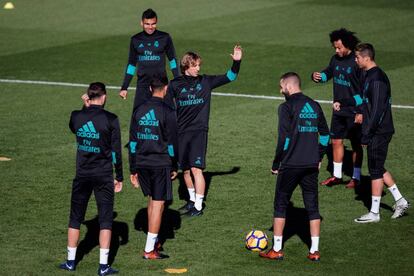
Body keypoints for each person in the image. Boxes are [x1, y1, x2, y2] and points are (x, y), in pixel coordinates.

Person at [259, 72, 329, 261]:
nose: (281, 90)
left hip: (290, 164)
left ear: (289, 87)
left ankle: (277, 249)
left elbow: (285, 139)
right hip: (311, 164)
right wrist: (319, 156)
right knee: (312, 207)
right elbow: (325, 135)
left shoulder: (286, 107)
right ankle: (314, 251)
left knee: (280, 205)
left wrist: (276, 163)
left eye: (282, 87)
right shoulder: (314, 105)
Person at [166, 45, 242, 217]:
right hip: (181, 132)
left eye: (199, 65)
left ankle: (199, 207)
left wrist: (236, 62)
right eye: (195, 66)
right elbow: (166, 107)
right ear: (186, 67)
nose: (199, 68)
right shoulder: (175, 84)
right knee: (184, 170)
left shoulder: (205, 81)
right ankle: (192, 201)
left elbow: (230, 76)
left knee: (196, 169)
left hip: (199, 131)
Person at [60, 82, 123, 276]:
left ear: (88, 96)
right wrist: (119, 176)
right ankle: (103, 266)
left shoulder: (76, 116)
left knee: (75, 218)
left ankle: (71, 262)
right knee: (105, 220)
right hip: (103, 175)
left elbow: (74, 127)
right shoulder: (111, 119)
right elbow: (116, 152)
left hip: (82, 175)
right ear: (103, 97)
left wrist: (83, 107)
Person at [351, 43, 410, 223]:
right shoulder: (369, 75)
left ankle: (374, 213)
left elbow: (377, 110)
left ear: (366, 58)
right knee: (378, 166)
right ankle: (400, 200)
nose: (355, 60)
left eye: (357, 57)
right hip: (377, 130)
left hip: (379, 131)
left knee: (375, 170)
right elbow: (368, 103)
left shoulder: (376, 78)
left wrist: (367, 134)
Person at [128, 76, 178, 259]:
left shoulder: (139, 110)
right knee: (158, 203)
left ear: (150, 88)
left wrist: (133, 168)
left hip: (141, 162)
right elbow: (172, 143)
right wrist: (174, 164)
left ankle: (153, 241)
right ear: (165, 89)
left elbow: (132, 142)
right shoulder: (168, 111)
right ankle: (149, 250)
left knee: (152, 200)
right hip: (160, 163)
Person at [312, 28, 364, 188]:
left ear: (348, 45)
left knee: (356, 145)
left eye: (339, 47)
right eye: (335, 47)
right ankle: (337, 176)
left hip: (354, 111)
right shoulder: (335, 59)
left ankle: (356, 177)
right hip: (338, 110)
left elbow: (364, 91)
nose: (336, 50)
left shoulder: (357, 62)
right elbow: (329, 72)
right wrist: (319, 77)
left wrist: (361, 112)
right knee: (336, 141)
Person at [119, 8, 180, 110]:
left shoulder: (165, 37)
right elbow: (131, 65)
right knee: (139, 118)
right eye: (147, 24)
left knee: (168, 117)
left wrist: (178, 81)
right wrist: (124, 87)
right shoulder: (135, 40)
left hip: (161, 85)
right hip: (143, 85)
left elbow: (172, 60)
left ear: (156, 23)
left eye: (153, 24)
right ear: (141, 23)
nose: (150, 27)